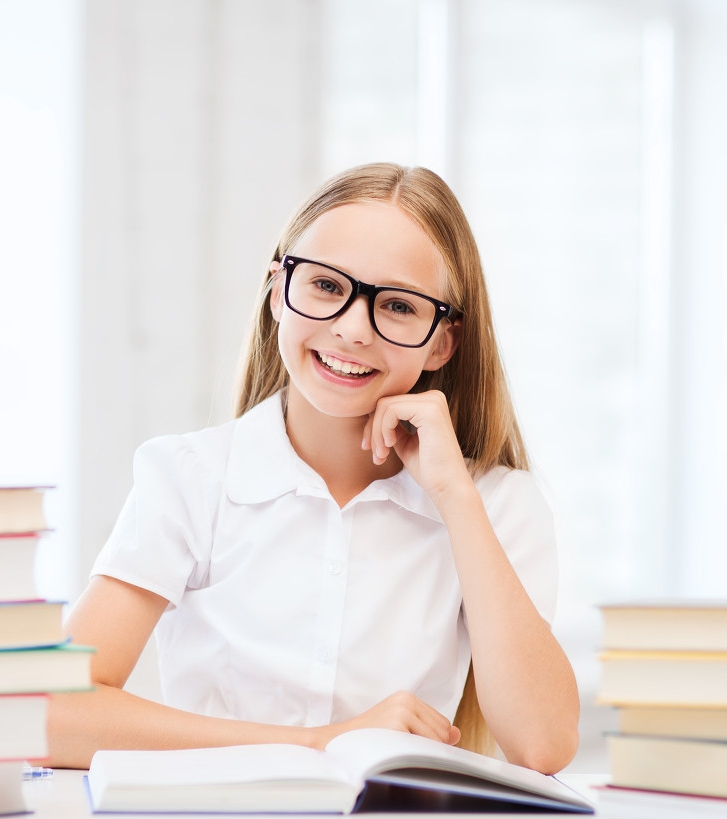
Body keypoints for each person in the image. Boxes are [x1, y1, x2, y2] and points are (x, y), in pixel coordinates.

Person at [47, 163, 579, 774]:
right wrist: (321, 743)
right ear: (278, 290)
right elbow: (53, 714)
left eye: (399, 305)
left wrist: (456, 498)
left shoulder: (496, 502)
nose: (353, 329)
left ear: (441, 343)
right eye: (327, 287)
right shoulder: (191, 477)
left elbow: (542, 746)